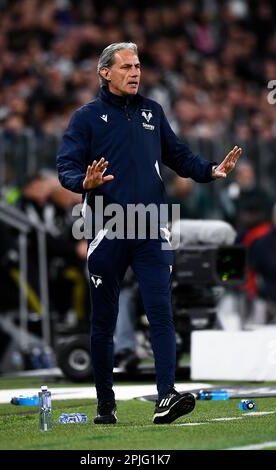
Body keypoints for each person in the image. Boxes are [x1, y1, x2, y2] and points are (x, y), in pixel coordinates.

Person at [57, 42, 242, 425]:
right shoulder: (86, 117)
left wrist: (210, 170)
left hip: (150, 228)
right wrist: (83, 181)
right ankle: (105, 404)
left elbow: (177, 155)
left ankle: (165, 397)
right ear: (105, 73)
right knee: (103, 321)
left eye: (138, 65)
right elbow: (66, 167)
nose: (135, 72)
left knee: (161, 312)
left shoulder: (151, 112)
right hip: (107, 228)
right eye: (126, 66)